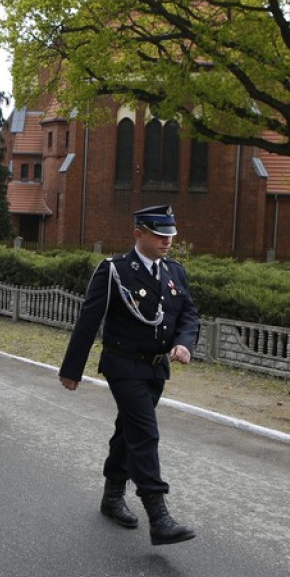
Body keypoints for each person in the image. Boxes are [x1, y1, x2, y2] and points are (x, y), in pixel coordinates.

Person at [59, 205, 199, 546]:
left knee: (129, 431)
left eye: (170, 236)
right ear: (139, 233)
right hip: (123, 365)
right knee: (145, 433)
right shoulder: (115, 271)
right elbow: (89, 319)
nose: (167, 242)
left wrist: (183, 344)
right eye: (160, 235)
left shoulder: (174, 272)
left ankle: (111, 495)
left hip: (156, 367)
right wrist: (72, 369)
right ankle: (158, 515)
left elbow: (189, 314)